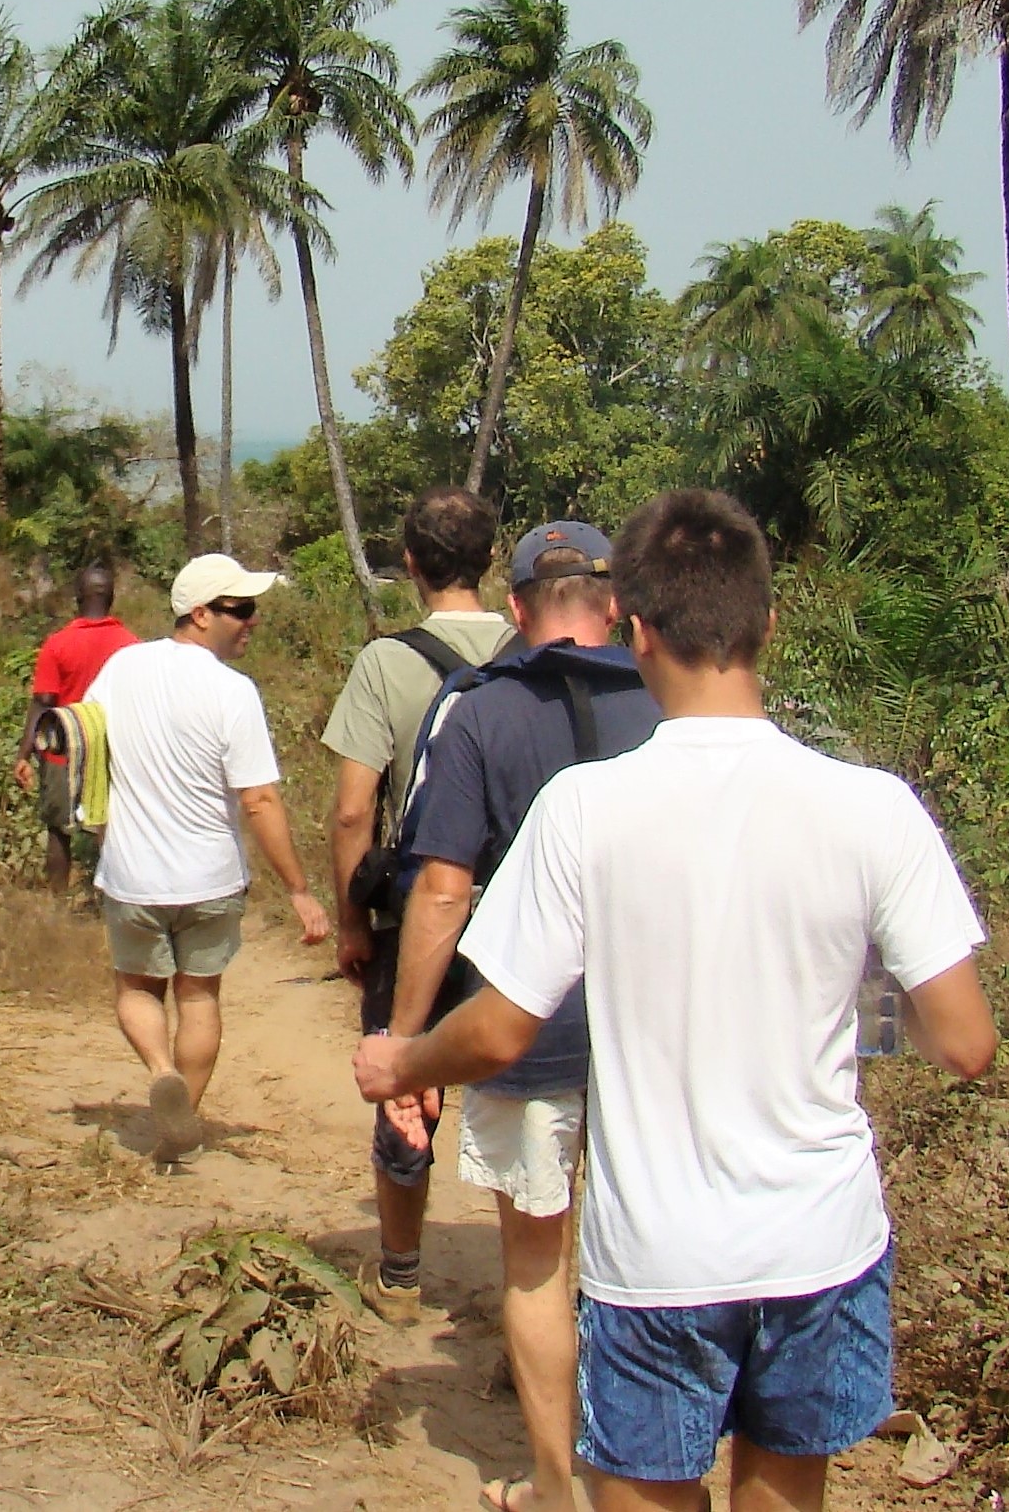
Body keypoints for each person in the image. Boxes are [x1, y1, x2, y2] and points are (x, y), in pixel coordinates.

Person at [353, 490, 998, 1512]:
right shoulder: (875, 809)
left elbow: (505, 1027)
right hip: (820, 1243)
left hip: (660, 1259)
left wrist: (405, 1059)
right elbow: (964, 1041)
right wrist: (853, 998)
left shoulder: (585, 812)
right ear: (768, 625)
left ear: (639, 629)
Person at [383, 521, 661, 1512]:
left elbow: (442, 891)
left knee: (537, 1263)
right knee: (654, 1254)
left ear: (514, 609)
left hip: (524, 1022)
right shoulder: (677, 695)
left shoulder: (479, 714)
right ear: (617, 602)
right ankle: (655, 1463)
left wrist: (410, 1044)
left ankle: (556, 1484)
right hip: (660, 1029)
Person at [321, 485, 516, 1317]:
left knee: (405, 1078)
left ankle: (400, 1269)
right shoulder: (530, 652)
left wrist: (352, 921)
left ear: (409, 564)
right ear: (490, 560)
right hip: (519, 917)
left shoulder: (385, 662)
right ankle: (534, 1287)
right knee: (530, 1100)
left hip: (416, 915)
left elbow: (353, 808)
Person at [87, 552, 331, 1162]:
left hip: (132, 875)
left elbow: (87, 736)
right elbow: (259, 799)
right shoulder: (233, 691)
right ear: (200, 614)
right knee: (199, 998)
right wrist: (299, 889)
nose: (252, 621)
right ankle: (180, 1125)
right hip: (211, 878)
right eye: (240, 609)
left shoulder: (122, 666)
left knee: (138, 989)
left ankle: (160, 1069)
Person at [14, 564, 139, 892]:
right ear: (111, 597)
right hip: (116, 752)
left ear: (76, 597)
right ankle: (114, 898)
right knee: (115, 830)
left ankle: (57, 905)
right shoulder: (132, 646)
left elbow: (42, 703)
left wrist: (24, 755)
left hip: (62, 755)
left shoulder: (57, 645)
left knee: (58, 831)